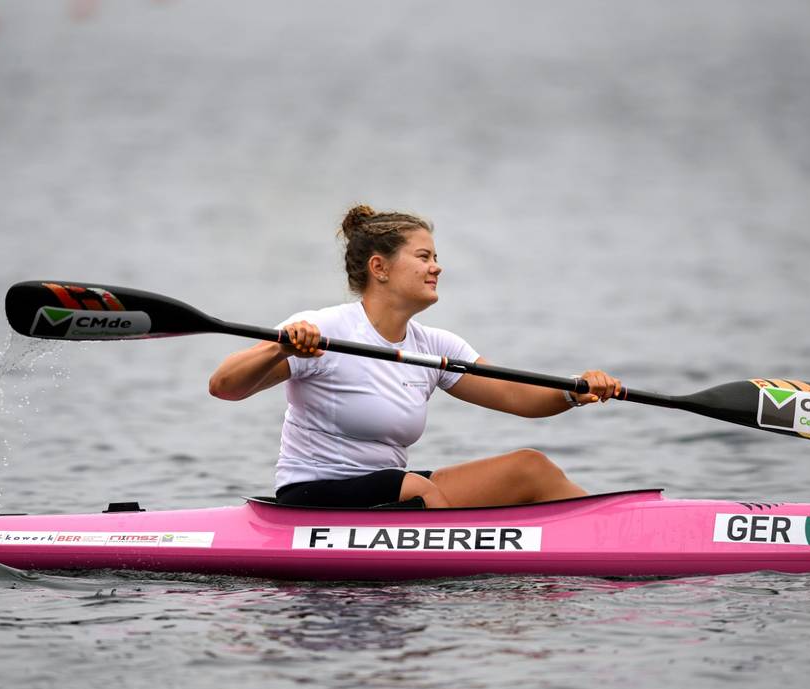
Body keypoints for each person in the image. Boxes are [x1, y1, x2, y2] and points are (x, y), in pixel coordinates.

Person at [208, 205, 621, 509]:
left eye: (436, 258)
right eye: (423, 257)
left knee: (530, 467)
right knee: (415, 489)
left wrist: (574, 391)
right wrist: (277, 347)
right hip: (314, 495)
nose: (436, 268)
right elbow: (224, 387)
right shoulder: (323, 330)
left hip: (388, 491)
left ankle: (615, 536)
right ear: (380, 268)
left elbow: (516, 395)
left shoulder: (434, 347)